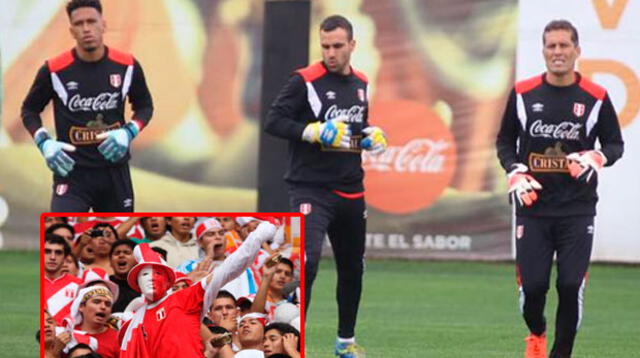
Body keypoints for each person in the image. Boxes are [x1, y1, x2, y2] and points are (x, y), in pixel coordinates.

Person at [495, 19, 624, 358]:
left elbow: (615, 143)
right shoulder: (523, 94)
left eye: (564, 45)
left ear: (577, 50)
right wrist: (513, 170)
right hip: (533, 209)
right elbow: (504, 142)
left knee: (569, 286)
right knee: (534, 289)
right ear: (543, 51)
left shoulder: (595, 97)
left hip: (578, 209)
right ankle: (536, 332)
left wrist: (597, 155)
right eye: (551, 46)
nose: (557, 52)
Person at [264, 14, 388, 357]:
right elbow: (274, 121)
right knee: (307, 262)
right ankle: (291, 343)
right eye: (325, 46)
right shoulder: (304, 80)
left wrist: (371, 136)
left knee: (353, 267)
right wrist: (311, 131)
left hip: (351, 189)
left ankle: (345, 343)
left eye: (337, 46)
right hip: (310, 189)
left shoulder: (361, 83)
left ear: (352, 45)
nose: (331, 53)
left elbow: (355, 129)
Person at [21, 0, 153, 212]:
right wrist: (44, 143)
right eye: (79, 23)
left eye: (91, 21)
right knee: (63, 235)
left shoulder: (126, 65)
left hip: (114, 172)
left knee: (116, 242)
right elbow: (29, 110)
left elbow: (145, 106)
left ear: (104, 24)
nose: (86, 29)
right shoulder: (54, 69)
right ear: (71, 30)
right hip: (72, 173)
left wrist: (128, 132)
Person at [118, 221, 277, 357]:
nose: (151, 278)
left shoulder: (184, 297)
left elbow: (227, 269)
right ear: (137, 282)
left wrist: (257, 236)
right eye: (144, 274)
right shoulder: (136, 321)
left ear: (168, 279)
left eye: (157, 273)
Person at [45, 233, 83, 325]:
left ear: (65, 257)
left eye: (58, 253)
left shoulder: (80, 286)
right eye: (47, 251)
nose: (52, 257)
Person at [108, 239, 139, 313]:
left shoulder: (144, 285)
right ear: (110, 262)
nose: (121, 255)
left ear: (137, 259)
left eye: (127, 253)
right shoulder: (105, 285)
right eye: (117, 253)